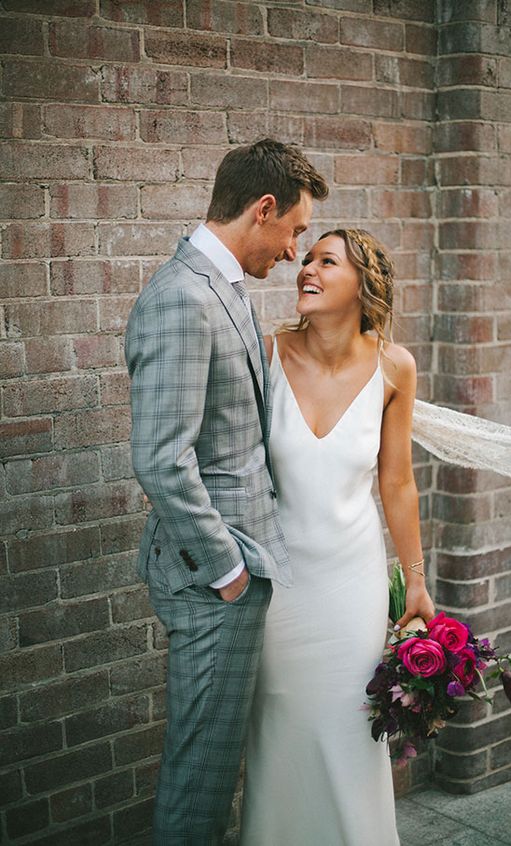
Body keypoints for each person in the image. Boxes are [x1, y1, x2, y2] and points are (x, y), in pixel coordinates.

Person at [125, 139, 328, 845]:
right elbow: (160, 459)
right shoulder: (181, 298)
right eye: (295, 229)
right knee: (201, 780)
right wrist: (230, 572)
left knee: (214, 770)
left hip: (233, 573)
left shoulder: (227, 288)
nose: (296, 249)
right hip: (212, 580)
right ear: (263, 208)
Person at [239, 228, 435, 846]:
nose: (305, 267)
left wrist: (416, 588)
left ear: (363, 285)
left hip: (352, 587)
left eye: (327, 260)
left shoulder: (394, 367)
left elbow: (398, 484)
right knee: (281, 731)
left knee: (350, 733)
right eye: (307, 257)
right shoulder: (264, 353)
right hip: (280, 590)